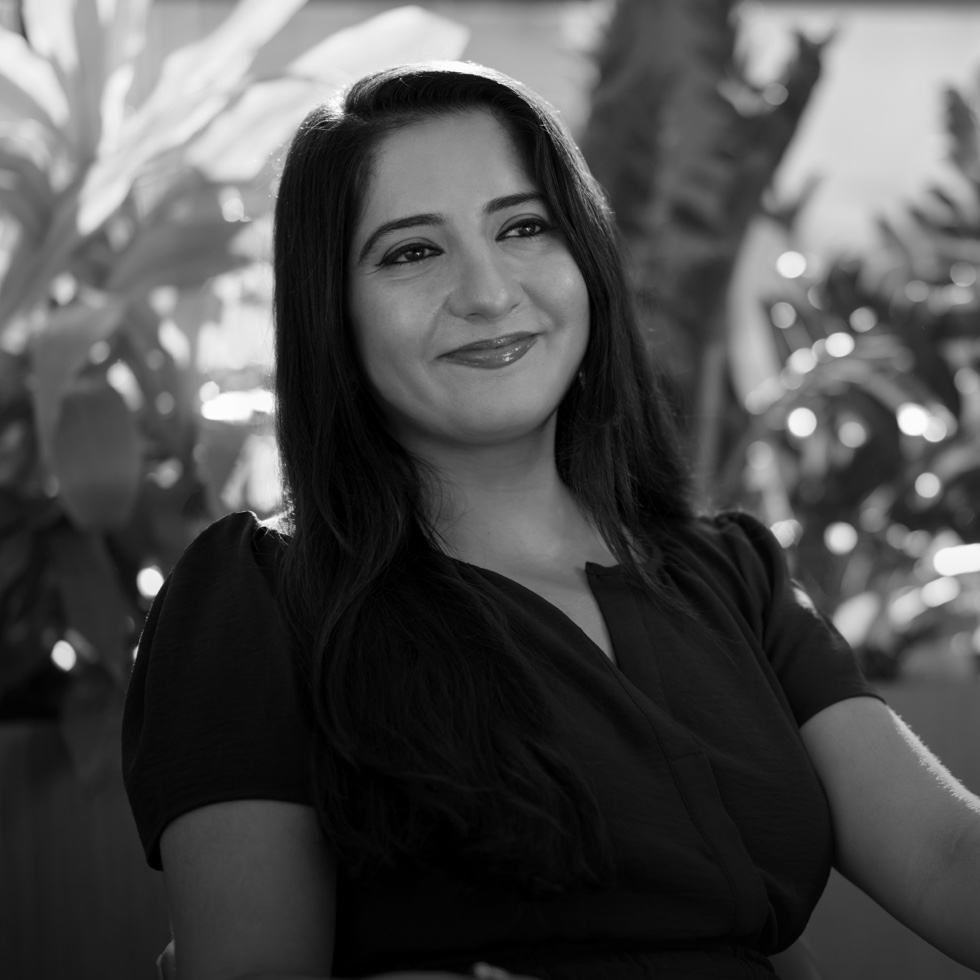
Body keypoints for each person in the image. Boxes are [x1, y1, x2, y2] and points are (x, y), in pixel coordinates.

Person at [122, 62, 980, 980]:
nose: (489, 292)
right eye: (413, 251)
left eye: (526, 227)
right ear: (331, 307)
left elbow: (945, 858)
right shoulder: (259, 601)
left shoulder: (732, 577)